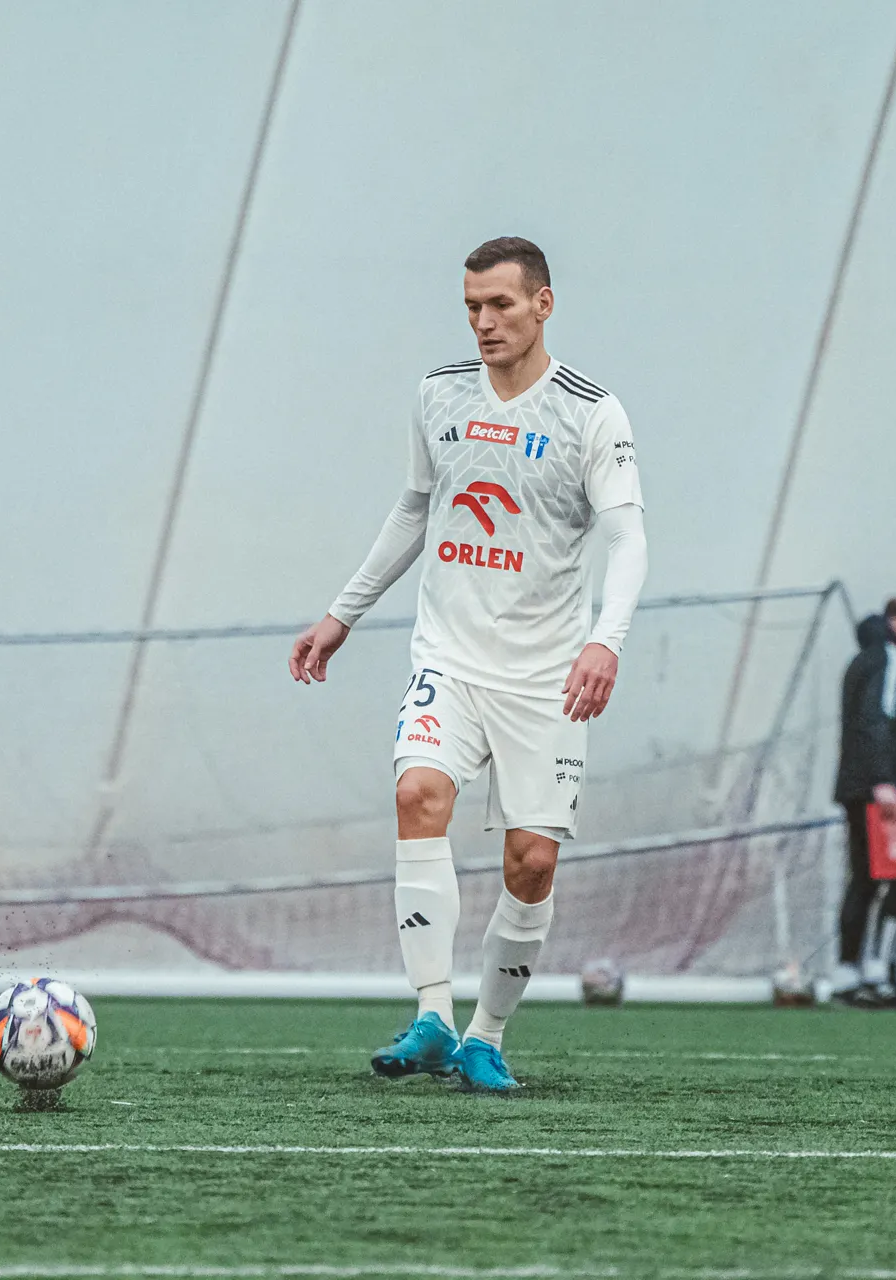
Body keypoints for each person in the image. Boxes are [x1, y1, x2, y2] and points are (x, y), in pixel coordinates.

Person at [288, 237, 648, 1092]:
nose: (484, 322)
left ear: (543, 305)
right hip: (448, 658)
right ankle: (432, 1018)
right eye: (472, 308)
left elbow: (627, 537)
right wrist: (343, 613)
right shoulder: (439, 394)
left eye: (500, 305)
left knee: (532, 862)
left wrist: (606, 639)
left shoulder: (592, 413)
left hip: (546, 676)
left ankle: (485, 1036)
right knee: (417, 793)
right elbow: (416, 508)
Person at [831, 597, 896, 1003]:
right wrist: (886, 780)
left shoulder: (861, 659)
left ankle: (846, 971)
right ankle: (878, 968)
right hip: (879, 793)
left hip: (855, 787)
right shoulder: (889, 659)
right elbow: (877, 718)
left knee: (865, 878)